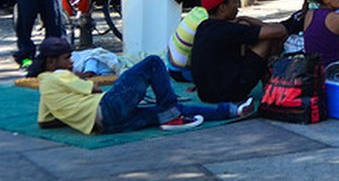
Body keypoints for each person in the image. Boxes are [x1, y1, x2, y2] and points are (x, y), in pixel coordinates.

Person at [28, 37, 254, 134]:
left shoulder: (44, 88)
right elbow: (95, 89)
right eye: (67, 58)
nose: (71, 62)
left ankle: (234, 110)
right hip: (107, 108)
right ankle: (174, 114)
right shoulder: (57, 75)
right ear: (51, 62)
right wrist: (79, 78)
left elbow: (45, 123)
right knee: (153, 63)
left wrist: (74, 113)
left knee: (167, 111)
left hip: (106, 126)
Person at [191, 0, 287, 103]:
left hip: (205, 94)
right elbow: (280, 30)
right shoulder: (227, 29)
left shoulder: (204, 26)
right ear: (222, 7)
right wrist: (246, 18)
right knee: (267, 38)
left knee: (245, 28)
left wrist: (243, 21)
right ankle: (272, 82)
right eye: (234, 2)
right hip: (228, 94)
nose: (237, 7)